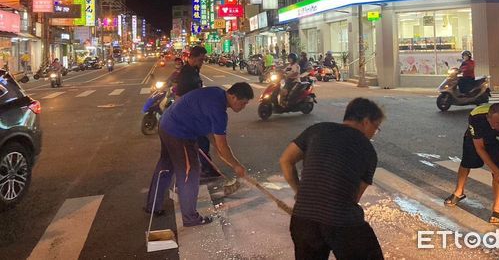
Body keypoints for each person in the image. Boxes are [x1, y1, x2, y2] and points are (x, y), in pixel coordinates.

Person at [280, 98, 385, 260]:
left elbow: (286, 160)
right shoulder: (368, 150)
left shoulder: (317, 130)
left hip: (303, 220)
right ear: (366, 122)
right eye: (376, 127)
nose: (374, 133)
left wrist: (299, 192)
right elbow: (354, 197)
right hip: (342, 221)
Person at [145, 83, 254, 226]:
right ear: (233, 97)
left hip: (166, 124)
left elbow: (213, 139)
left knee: (165, 166)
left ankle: (153, 205)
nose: (243, 107)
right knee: (190, 173)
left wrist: (226, 157)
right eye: (243, 103)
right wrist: (236, 165)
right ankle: (190, 218)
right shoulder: (219, 111)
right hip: (179, 133)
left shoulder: (216, 94)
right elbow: (222, 144)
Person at [444, 103, 499, 225]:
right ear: (488, 118)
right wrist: (495, 171)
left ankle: (497, 210)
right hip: (476, 139)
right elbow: (479, 148)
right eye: (497, 124)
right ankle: (458, 192)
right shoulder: (476, 116)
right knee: (467, 163)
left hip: (497, 142)